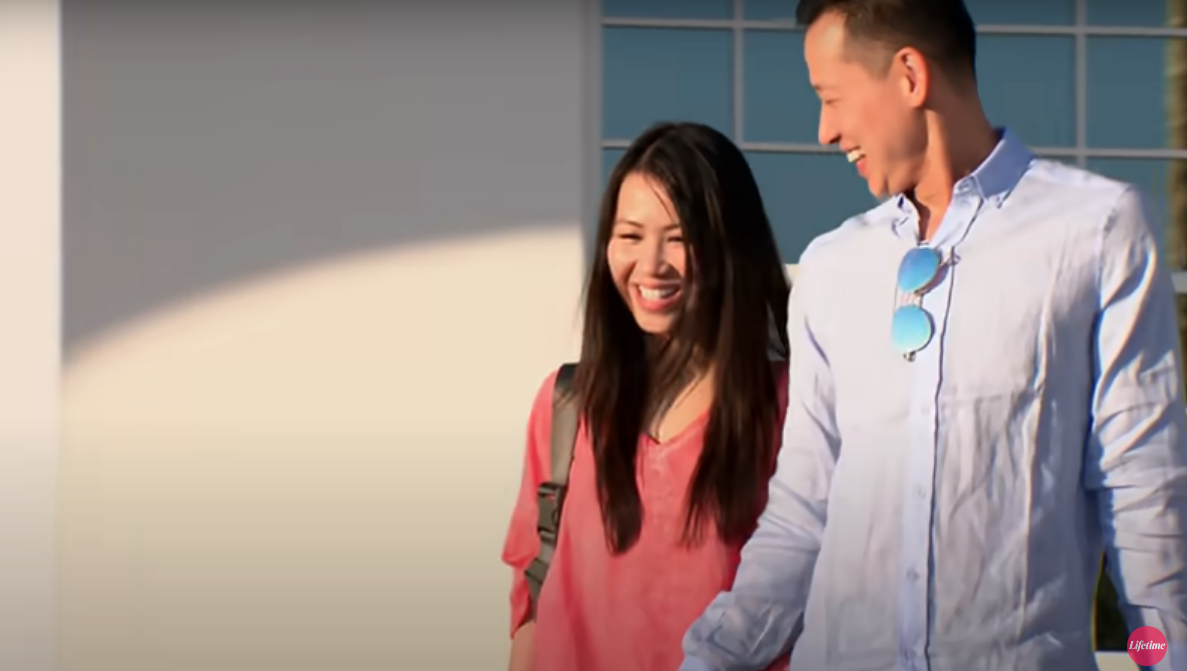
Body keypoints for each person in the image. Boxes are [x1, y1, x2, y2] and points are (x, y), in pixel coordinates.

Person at [678, 0, 1187, 669]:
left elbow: (1143, 493)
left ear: (910, 76)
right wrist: (709, 660)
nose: (825, 131)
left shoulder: (1097, 231)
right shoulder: (830, 268)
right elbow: (799, 516)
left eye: (831, 98)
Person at [501, 121, 794, 671]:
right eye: (630, 236)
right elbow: (532, 599)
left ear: (732, 246)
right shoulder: (565, 405)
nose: (651, 263)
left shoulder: (790, 410)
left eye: (679, 238)